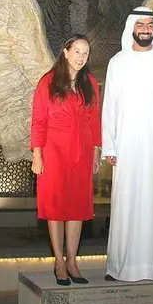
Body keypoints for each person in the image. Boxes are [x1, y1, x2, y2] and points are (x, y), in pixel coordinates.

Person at [101, 6, 153, 283]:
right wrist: (109, 147)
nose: (146, 29)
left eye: (150, 24)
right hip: (125, 147)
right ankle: (120, 267)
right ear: (132, 28)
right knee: (125, 203)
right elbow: (109, 107)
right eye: (141, 24)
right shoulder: (118, 62)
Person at [31, 35, 101, 286]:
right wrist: (37, 153)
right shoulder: (48, 82)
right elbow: (39, 119)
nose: (81, 57)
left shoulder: (90, 82)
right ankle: (59, 261)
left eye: (86, 53)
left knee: (77, 208)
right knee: (56, 207)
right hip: (54, 151)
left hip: (82, 152)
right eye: (77, 52)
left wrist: (96, 151)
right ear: (65, 52)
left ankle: (73, 260)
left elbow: (94, 120)